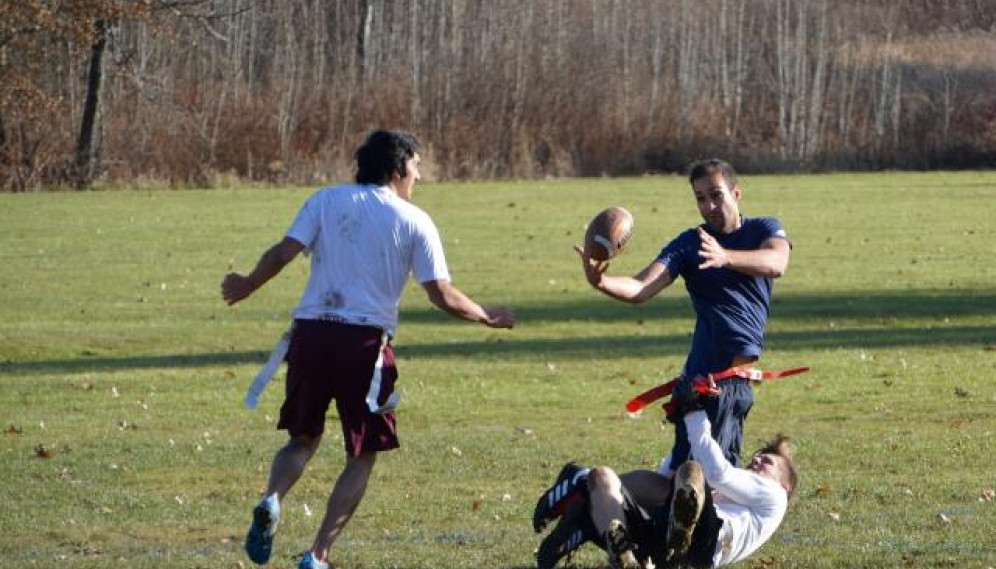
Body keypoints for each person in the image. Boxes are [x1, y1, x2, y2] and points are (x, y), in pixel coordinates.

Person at [221, 130, 516, 569]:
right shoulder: (413, 220)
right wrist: (486, 316)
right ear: (397, 169)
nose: (418, 176)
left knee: (303, 438)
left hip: (310, 334)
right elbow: (441, 294)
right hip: (363, 345)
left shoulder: (324, 200)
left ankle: (271, 499)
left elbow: (283, 253)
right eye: (416, 167)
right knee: (362, 454)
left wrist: (246, 284)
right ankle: (317, 555)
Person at [575, 159, 792, 473]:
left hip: (737, 385)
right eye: (701, 198)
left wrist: (725, 256)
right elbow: (641, 288)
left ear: (736, 193)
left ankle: (607, 492)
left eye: (716, 195)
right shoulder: (690, 244)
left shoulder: (764, 229)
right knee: (701, 478)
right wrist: (601, 281)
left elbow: (777, 262)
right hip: (706, 382)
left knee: (708, 478)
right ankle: (598, 490)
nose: (709, 205)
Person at [533, 379, 798, 569]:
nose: (756, 460)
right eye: (757, 457)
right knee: (601, 478)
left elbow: (719, 473)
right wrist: (683, 432)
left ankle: (583, 500)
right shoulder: (739, 495)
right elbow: (663, 482)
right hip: (662, 539)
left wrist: (693, 413)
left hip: (704, 545)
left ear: (785, 484)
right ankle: (624, 556)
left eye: (767, 462)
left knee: (693, 472)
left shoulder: (775, 497)